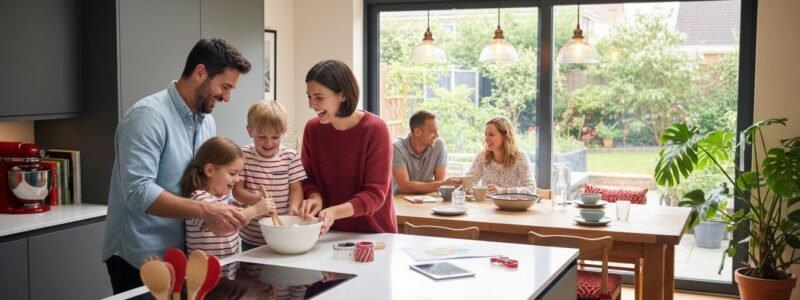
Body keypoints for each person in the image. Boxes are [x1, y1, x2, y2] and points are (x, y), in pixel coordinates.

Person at [102, 38, 252, 294]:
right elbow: (138, 191)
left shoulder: (207, 123)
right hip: (140, 258)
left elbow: (208, 182)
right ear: (200, 72)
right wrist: (206, 210)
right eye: (225, 87)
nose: (227, 97)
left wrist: (227, 209)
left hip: (184, 260)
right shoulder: (147, 117)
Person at [300, 59, 397, 234]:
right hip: (328, 234)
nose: (311, 104)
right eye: (309, 96)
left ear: (343, 95)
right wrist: (315, 197)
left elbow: (375, 194)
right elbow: (308, 178)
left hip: (373, 235)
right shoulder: (312, 129)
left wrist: (334, 212)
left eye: (319, 97)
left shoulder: (375, 129)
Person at [182, 136, 275, 261]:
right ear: (210, 170)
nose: (237, 179)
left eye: (239, 174)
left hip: (228, 269)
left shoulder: (224, 197)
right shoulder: (199, 199)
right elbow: (223, 226)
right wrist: (256, 210)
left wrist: (252, 203)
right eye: (232, 173)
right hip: (205, 275)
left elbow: (236, 216)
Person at [232, 100, 308, 250]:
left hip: (282, 232)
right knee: (250, 272)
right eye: (261, 136)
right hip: (251, 235)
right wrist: (257, 201)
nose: (268, 143)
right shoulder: (243, 156)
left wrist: (293, 207)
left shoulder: (290, 157)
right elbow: (237, 190)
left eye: (275, 137)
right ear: (250, 131)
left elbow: (296, 189)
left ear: (284, 131)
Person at [392, 110, 460, 194]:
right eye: (433, 131)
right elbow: (405, 188)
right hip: (401, 202)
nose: (437, 135)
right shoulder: (397, 148)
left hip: (428, 200)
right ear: (417, 132)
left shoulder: (439, 145)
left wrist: (413, 185)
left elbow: (440, 180)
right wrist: (440, 184)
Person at [468, 116, 536, 194]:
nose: (486, 139)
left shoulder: (520, 157)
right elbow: (469, 183)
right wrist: (458, 182)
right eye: (486, 134)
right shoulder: (481, 156)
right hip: (486, 206)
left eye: (491, 134)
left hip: (512, 206)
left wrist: (503, 191)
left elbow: (531, 189)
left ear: (505, 136)